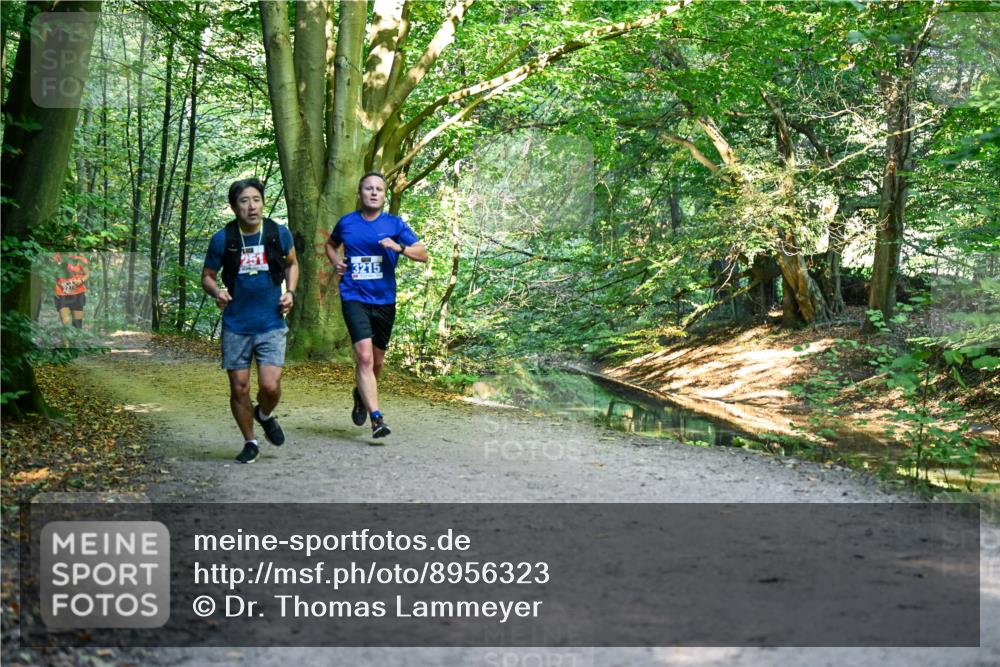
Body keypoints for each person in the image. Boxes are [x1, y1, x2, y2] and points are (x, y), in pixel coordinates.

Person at [202, 178, 298, 463]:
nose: (251, 206)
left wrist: (290, 292)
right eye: (244, 201)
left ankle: (264, 414)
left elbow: (292, 263)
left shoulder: (278, 233)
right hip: (236, 325)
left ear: (263, 202)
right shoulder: (223, 239)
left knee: (269, 386)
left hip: (271, 323)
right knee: (239, 387)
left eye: (256, 199)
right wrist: (216, 291)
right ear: (234, 207)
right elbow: (207, 275)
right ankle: (251, 441)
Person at [325, 172, 428, 438]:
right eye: (368, 189)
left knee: (378, 362)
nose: (373, 193)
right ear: (359, 194)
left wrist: (399, 248)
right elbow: (330, 244)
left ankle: (361, 395)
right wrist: (336, 261)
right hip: (353, 296)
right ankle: (376, 418)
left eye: (378, 189)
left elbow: (423, 253)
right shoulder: (347, 223)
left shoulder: (394, 224)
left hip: (384, 300)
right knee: (364, 357)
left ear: (384, 195)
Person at [53, 251, 89, 331]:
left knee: (77, 324)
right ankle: (66, 343)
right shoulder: (57, 256)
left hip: (78, 293)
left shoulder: (80, 258)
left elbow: (87, 274)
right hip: (62, 293)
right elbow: (51, 272)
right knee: (65, 322)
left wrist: (81, 281)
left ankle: (75, 342)